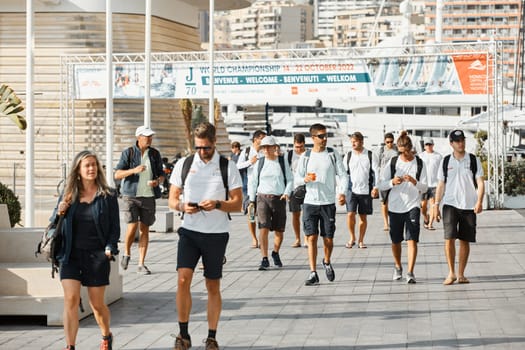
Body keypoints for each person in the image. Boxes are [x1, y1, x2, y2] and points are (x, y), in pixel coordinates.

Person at [168, 122, 242, 350]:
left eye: (206, 148)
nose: (202, 152)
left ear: (214, 143)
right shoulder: (184, 164)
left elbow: (237, 204)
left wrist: (218, 204)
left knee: (212, 285)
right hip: (189, 231)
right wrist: (182, 206)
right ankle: (183, 334)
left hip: (216, 235)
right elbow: (172, 200)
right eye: (198, 147)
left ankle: (212, 336)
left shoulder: (227, 167)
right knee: (182, 280)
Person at [56, 150, 120, 350]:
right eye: (87, 165)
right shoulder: (68, 195)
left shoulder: (108, 195)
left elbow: (114, 228)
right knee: (71, 299)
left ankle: (106, 336)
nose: (92, 168)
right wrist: (59, 211)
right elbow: (55, 222)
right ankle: (70, 346)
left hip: (97, 256)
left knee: (97, 305)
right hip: (70, 255)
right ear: (78, 170)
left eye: (94, 164)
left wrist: (110, 247)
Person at [295, 123, 348, 286]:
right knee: (311, 238)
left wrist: (342, 192)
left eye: (326, 136)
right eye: (321, 136)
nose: (324, 139)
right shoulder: (306, 156)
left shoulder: (333, 154)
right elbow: (296, 178)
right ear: (313, 138)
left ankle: (326, 261)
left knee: (328, 240)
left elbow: (343, 175)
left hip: (328, 203)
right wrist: (305, 179)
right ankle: (313, 272)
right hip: (310, 202)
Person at [434, 129, 484, 285]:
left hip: (469, 206)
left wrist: (479, 201)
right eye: (457, 141)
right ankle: (451, 273)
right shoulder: (446, 161)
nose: (461, 143)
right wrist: (435, 204)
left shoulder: (473, 160)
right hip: (450, 204)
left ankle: (461, 274)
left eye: (462, 140)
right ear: (451, 144)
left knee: (465, 240)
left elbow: (480, 182)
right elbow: (441, 184)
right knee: (449, 238)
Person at [378, 131, 428, 284]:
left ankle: (410, 272)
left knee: (412, 240)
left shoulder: (419, 163)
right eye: (400, 152)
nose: (403, 155)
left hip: (412, 205)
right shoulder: (393, 162)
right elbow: (381, 184)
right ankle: (398, 266)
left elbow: (425, 188)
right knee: (396, 241)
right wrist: (392, 182)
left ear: (410, 149)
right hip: (394, 206)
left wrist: (414, 181)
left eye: (405, 152)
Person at [114, 125, 164, 275]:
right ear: (138, 137)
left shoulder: (155, 154)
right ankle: (127, 253)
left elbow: (161, 174)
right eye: (146, 136)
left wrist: (157, 182)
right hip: (131, 196)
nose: (149, 139)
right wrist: (133, 171)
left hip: (148, 196)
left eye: (150, 136)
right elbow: (117, 174)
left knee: (145, 229)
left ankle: (141, 264)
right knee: (132, 227)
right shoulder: (128, 153)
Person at [248, 135, 293, 270]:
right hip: (262, 198)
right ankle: (264, 258)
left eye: (268, 147)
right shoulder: (260, 163)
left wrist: (286, 192)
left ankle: (275, 252)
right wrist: (251, 200)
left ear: (275, 147)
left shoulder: (282, 162)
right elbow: (253, 182)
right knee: (263, 228)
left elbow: (290, 179)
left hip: (279, 198)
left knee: (279, 231)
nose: (266, 149)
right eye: (263, 147)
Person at [343, 131, 379, 249]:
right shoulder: (348, 155)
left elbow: (376, 171)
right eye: (352, 142)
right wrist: (341, 192)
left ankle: (361, 240)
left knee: (363, 217)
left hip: (365, 190)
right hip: (351, 190)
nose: (353, 143)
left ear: (361, 142)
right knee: (350, 214)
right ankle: (352, 237)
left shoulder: (369, 154)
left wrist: (375, 187)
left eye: (355, 141)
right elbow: (343, 174)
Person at [236, 130, 266, 248]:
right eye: (262, 138)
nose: (264, 141)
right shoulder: (247, 151)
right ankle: (254, 238)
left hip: (264, 188)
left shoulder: (265, 151)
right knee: (251, 215)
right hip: (250, 189)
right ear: (256, 139)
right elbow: (238, 166)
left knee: (263, 216)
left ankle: (262, 237)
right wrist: (250, 162)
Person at [287, 133, 307, 248]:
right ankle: (297, 238)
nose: (299, 149)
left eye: (301, 147)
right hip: (293, 189)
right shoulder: (289, 154)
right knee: (295, 215)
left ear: (304, 144)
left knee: (306, 215)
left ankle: (306, 238)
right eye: (297, 147)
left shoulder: (308, 154)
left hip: (307, 188)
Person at [418, 137, 442, 230]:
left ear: (433, 145)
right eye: (427, 145)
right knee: (423, 206)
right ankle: (426, 217)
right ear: (424, 146)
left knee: (433, 204)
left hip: (434, 184)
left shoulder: (438, 156)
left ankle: (430, 224)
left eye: (430, 144)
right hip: (424, 184)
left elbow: (441, 170)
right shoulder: (420, 156)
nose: (428, 146)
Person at [377, 132, 398, 231]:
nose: (389, 144)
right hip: (384, 179)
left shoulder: (396, 150)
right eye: (387, 142)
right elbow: (377, 166)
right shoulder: (381, 151)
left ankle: (394, 220)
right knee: (384, 202)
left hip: (395, 178)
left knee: (395, 200)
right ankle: (386, 223)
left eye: (391, 142)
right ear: (384, 142)